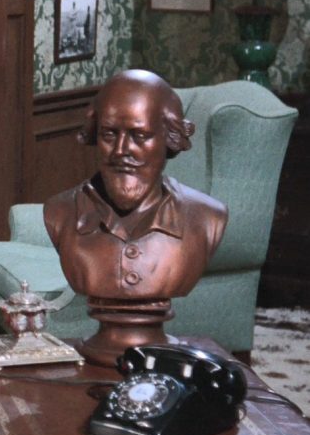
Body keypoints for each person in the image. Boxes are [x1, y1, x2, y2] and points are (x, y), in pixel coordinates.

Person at [44, 69, 228, 301]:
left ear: (169, 138)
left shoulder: (207, 217)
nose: (121, 150)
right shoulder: (59, 213)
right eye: (109, 134)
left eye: (139, 136)